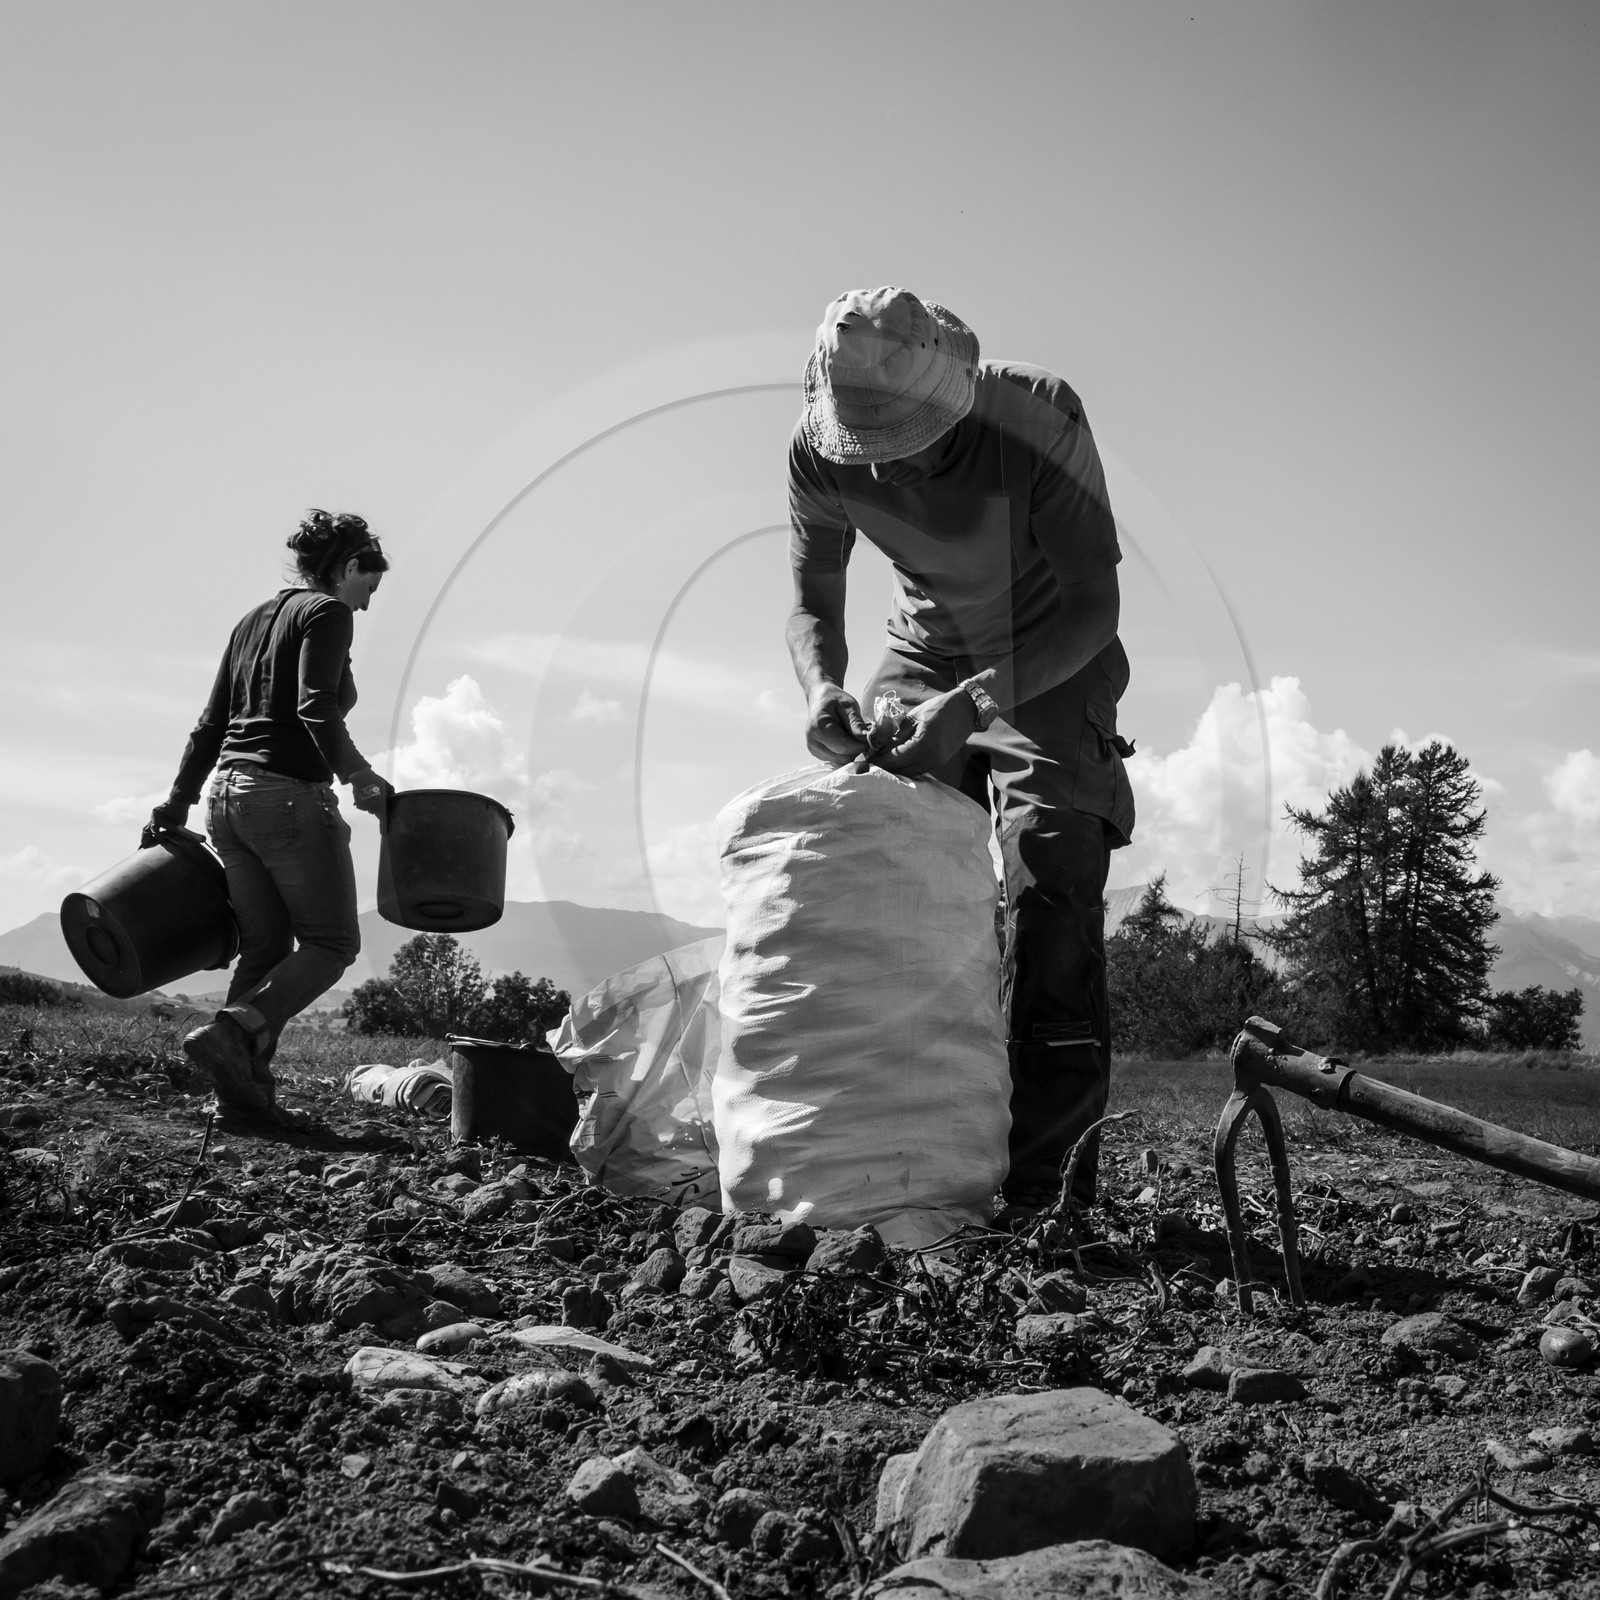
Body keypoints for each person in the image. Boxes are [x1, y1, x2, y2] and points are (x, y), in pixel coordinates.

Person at [786, 286, 1136, 1212]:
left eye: (908, 445)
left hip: (1053, 649)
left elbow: (1096, 608)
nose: (887, 472)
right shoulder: (816, 451)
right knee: (873, 846)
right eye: (869, 449)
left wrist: (975, 704)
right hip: (926, 646)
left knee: (1050, 873)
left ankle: (1047, 1191)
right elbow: (814, 605)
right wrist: (823, 688)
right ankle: (894, 1157)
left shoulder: (1036, 415)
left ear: (955, 398)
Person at [143, 510, 395, 1124]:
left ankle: (240, 1096)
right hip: (285, 797)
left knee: (264, 948)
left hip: (226, 800)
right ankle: (235, 1029)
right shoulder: (326, 612)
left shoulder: (252, 621)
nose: (365, 607)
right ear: (351, 566)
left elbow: (210, 723)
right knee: (333, 942)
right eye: (370, 587)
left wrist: (177, 800)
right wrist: (359, 773)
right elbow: (315, 706)